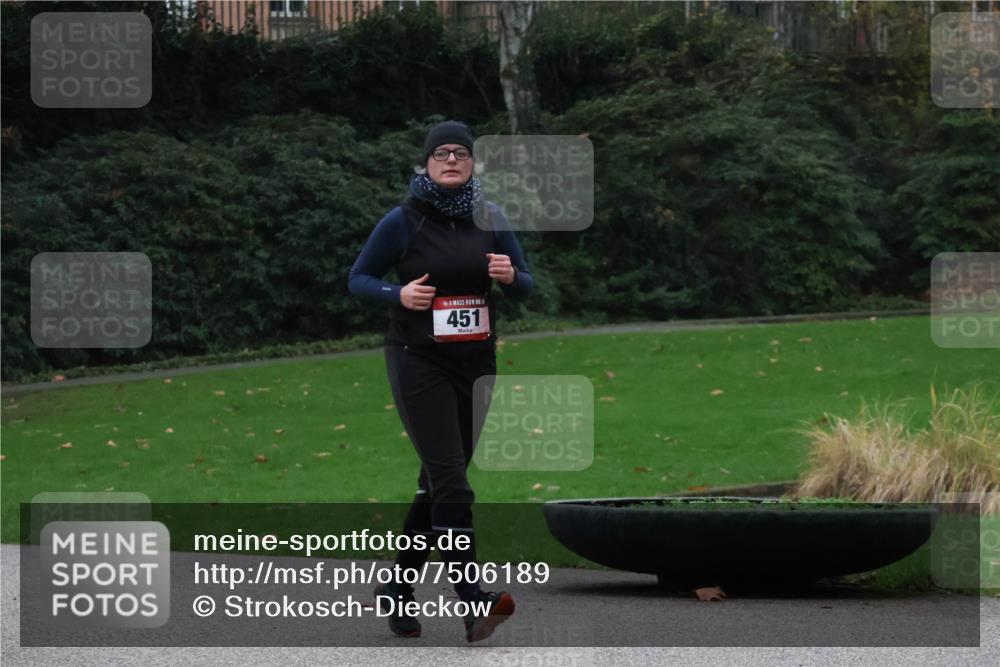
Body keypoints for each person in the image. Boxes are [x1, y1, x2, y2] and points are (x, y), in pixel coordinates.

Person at [348, 120, 534, 642]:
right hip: (417, 360)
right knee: (453, 481)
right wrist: (398, 296)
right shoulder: (403, 221)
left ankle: (396, 588)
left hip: (476, 365)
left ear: (473, 163)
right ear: (427, 164)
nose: (451, 159)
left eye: (461, 153)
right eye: (440, 153)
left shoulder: (491, 217)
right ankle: (472, 597)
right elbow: (358, 278)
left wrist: (510, 277)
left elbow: (526, 284)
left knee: (437, 485)